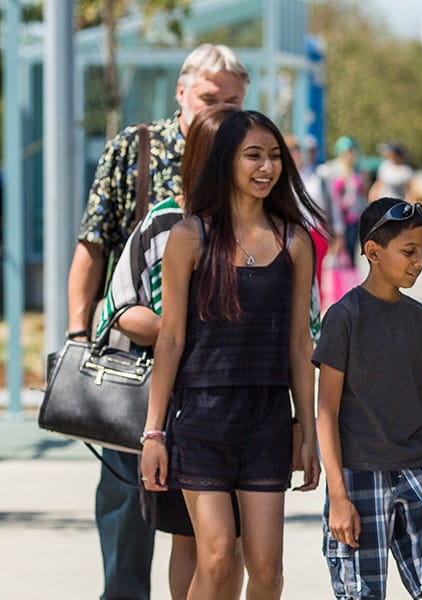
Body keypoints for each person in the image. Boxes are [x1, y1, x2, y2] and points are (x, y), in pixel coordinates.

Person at [64, 43, 249, 600]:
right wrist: (79, 338)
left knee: (201, 514)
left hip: (215, 365)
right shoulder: (135, 149)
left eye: (234, 101)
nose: (221, 109)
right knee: (126, 497)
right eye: (210, 98)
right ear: (182, 93)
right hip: (135, 355)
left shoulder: (250, 151)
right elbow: (93, 244)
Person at [140, 107, 326, 599]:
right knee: (218, 558)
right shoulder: (188, 237)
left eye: (273, 157)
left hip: (265, 421)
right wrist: (153, 433)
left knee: (267, 572)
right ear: (226, 161)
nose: (266, 167)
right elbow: (171, 339)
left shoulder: (294, 242)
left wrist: (307, 435)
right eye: (252, 156)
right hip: (199, 419)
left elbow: (300, 344)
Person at [313, 197, 422, 600]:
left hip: (417, 467)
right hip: (357, 474)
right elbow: (326, 411)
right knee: (362, 593)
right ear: (373, 252)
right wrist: (338, 496)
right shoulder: (344, 318)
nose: (419, 262)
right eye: (408, 252)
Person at [326, 136, 369, 267]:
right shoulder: (332, 169)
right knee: (336, 252)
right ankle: (337, 285)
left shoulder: (359, 170)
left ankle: (350, 283)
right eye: (347, 151)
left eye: (352, 151)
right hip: (336, 217)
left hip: (354, 218)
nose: (350, 154)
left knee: (351, 253)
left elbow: (363, 194)